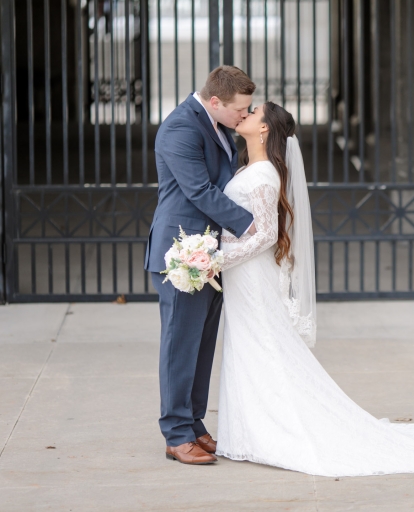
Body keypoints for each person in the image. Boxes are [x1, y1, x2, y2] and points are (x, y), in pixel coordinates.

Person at [214, 101, 414, 477]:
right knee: (247, 344)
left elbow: (263, 236)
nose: (244, 113)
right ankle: (249, 430)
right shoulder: (249, 166)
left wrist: (216, 260)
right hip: (242, 275)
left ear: (264, 130)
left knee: (263, 345)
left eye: (253, 112)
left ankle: (275, 431)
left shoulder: (263, 176)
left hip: (248, 272)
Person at [144, 66, 258, 465]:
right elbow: (199, 190)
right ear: (215, 101)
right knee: (180, 345)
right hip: (182, 253)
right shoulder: (181, 128)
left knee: (203, 345)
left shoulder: (218, 124)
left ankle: (193, 423)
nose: (244, 116)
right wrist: (253, 224)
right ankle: (176, 435)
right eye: (239, 110)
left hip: (212, 253)